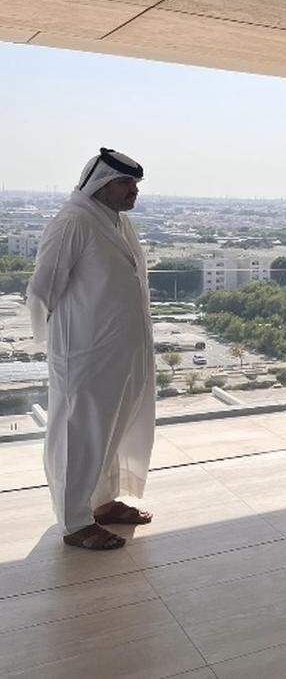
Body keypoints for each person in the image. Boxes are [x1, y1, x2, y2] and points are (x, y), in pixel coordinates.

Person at [27, 149, 154, 551]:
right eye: (126, 183)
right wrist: (59, 349)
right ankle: (75, 522)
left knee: (112, 430)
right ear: (101, 183)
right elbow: (42, 292)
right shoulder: (72, 223)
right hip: (84, 355)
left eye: (135, 184)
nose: (134, 191)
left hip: (121, 353)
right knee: (78, 436)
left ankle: (102, 503)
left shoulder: (117, 223)